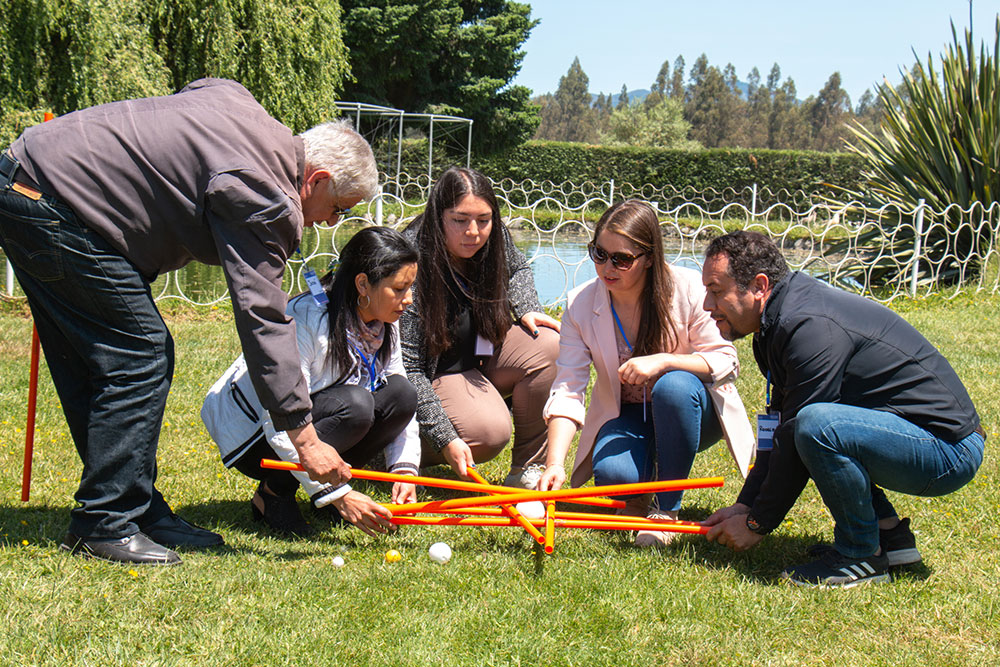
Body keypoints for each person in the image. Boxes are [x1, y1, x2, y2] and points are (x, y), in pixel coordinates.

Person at [0, 78, 379, 565]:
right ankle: (106, 521)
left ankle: (136, 509)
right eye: (338, 209)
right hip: (55, 202)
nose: (329, 223)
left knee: (94, 360)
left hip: (32, 178)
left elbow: (200, 89)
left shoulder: (244, 108)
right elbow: (263, 316)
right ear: (317, 179)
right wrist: (304, 436)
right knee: (141, 354)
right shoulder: (266, 196)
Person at [700, 230, 985, 588]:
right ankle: (890, 538)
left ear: (759, 285)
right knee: (814, 426)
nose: (708, 307)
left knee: (818, 426)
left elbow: (796, 434)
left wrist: (758, 523)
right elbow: (779, 428)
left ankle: (860, 554)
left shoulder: (806, 326)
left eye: (715, 291)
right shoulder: (774, 324)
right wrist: (746, 506)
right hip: (914, 436)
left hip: (948, 450)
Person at [537, 200, 755, 546]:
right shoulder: (580, 303)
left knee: (673, 386)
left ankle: (666, 511)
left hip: (693, 410)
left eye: (621, 259)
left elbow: (726, 360)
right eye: (599, 253)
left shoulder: (689, 289)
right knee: (614, 478)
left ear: (649, 257)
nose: (607, 267)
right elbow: (568, 388)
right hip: (630, 415)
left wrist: (665, 361)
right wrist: (554, 464)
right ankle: (646, 478)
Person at [202, 226, 419, 537]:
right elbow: (276, 418)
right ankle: (274, 494)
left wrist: (404, 470)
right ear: (363, 284)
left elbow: (399, 396)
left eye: (410, 287)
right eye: (399, 289)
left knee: (402, 395)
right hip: (255, 436)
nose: (409, 299)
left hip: (316, 422)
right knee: (356, 406)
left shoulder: (383, 321)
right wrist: (340, 496)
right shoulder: (308, 320)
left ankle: (328, 484)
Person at [399, 166, 560, 487]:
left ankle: (527, 470)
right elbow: (409, 369)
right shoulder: (411, 259)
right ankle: (395, 450)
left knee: (548, 343)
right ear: (437, 215)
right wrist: (445, 436)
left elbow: (517, 269)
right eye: (460, 220)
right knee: (488, 433)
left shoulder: (493, 236)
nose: (473, 231)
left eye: (483, 220)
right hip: (436, 372)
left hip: (479, 353)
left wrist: (527, 307)